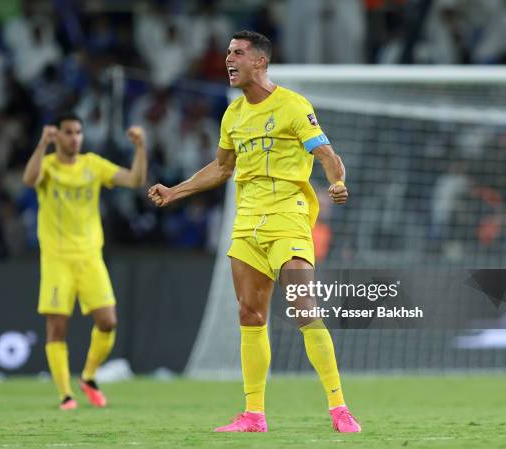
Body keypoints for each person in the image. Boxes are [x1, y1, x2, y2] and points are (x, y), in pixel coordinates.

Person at [148, 30, 360, 433]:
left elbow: (327, 155)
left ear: (260, 61)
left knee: (303, 308)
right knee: (250, 314)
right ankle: (253, 415)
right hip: (247, 222)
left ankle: (339, 407)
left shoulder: (294, 106)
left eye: (238, 53)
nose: (229, 59)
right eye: (228, 52)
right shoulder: (233, 114)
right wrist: (175, 191)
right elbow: (223, 168)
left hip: (287, 217)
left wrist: (336, 182)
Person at [23, 113, 147, 410]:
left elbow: (135, 179)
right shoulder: (48, 167)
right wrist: (42, 144)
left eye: (78, 132)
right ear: (58, 137)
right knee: (57, 327)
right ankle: (66, 394)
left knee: (108, 321)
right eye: (68, 132)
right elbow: (29, 180)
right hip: (57, 260)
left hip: (90, 257)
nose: (75, 137)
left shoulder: (93, 164)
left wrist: (141, 147)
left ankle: (89, 376)